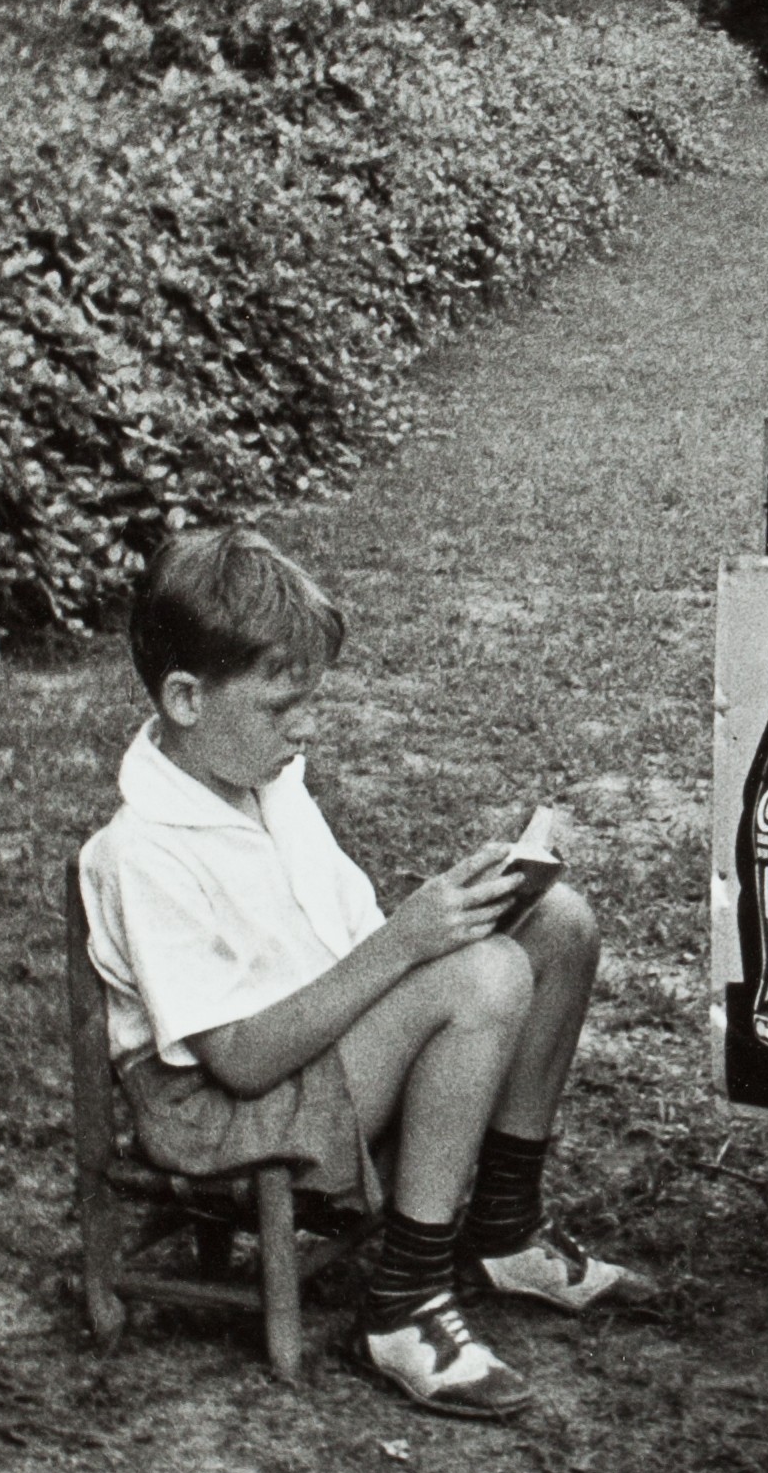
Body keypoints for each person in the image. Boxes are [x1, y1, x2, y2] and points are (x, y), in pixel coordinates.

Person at [78, 524, 637, 1422]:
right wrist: (412, 944)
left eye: (310, 701)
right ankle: (405, 1305)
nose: (303, 727)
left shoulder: (267, 783)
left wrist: (461, 908)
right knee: (485, 977)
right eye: (278, 706)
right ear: (185, 696)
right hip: (227, 1112)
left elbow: (348, 948)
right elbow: (242, 1060)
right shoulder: (142, 851)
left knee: (556, 925)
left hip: (310, 1053)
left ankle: (503, 1229)